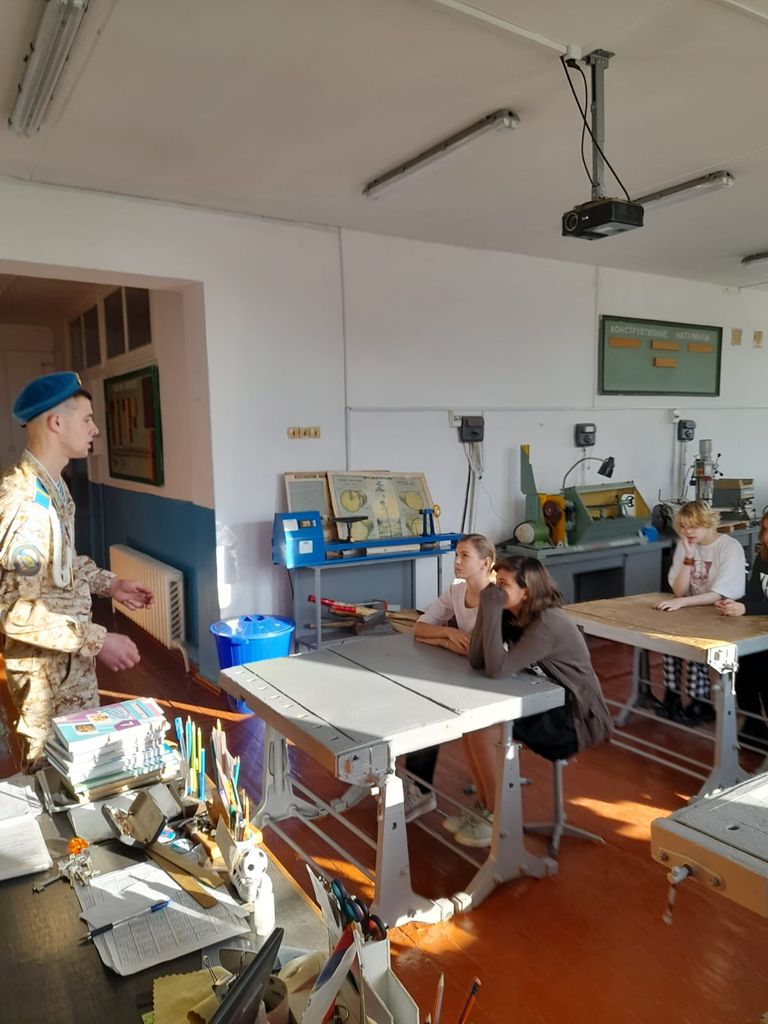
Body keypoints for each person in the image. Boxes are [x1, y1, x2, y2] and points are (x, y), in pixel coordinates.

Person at [0, 371, 154, 770]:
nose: (95, 429)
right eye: (87, 419)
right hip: (46, 683)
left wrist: (111, 584)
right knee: (51, 780)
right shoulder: (24, 503)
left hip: (70, 670)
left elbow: (63, 564)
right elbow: (15, 614)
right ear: (56, 422)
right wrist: (98, 640)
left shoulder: (53, 488)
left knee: (80, 774)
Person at [462, 555, 612, 848]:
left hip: (575, 718)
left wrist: (490, 608)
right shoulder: (511, 613)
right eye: (495, 583)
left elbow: (496, 669)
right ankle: (484, 808)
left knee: (484, 729)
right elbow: (477, 659)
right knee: (471, 727)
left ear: (526, 591)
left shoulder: (547, 623)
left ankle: (496, 817)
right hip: (544, 700)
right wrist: (487, 610)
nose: (495, 591)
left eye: (503, 585)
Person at [400, 533, 496, 822]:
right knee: (423, 708)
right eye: (456, 555)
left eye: (465, 556)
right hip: (464, 674)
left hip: (494, 681)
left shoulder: (496, 598)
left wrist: (447, 640)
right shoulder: (456, 590)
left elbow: (483, 653)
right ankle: (419, 788)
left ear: (485, 563)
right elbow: (420, 628)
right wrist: (448, 634)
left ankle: (489, 808)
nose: (457, 561)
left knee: (434, 713)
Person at [654, 500, 745, 725]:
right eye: (684, 526)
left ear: (708, 523)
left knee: (695, 647)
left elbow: (719, 594)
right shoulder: (686, 545)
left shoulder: (729, 547)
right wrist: (688, 557)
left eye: (694, 526)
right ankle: (672, 696)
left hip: (724, 613)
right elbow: (679, 590)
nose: (688, 532)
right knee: (669, 644)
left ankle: (700, 702)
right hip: (693, 610)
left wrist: (681, 603)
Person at [715, 510, 768, 750]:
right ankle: (753, 723)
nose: (765, 537)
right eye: (764, 530)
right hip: (760, 630)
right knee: (742, 665)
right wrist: (733, 603)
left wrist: (745, 608)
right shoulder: (763, 556)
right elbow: (755, 594)